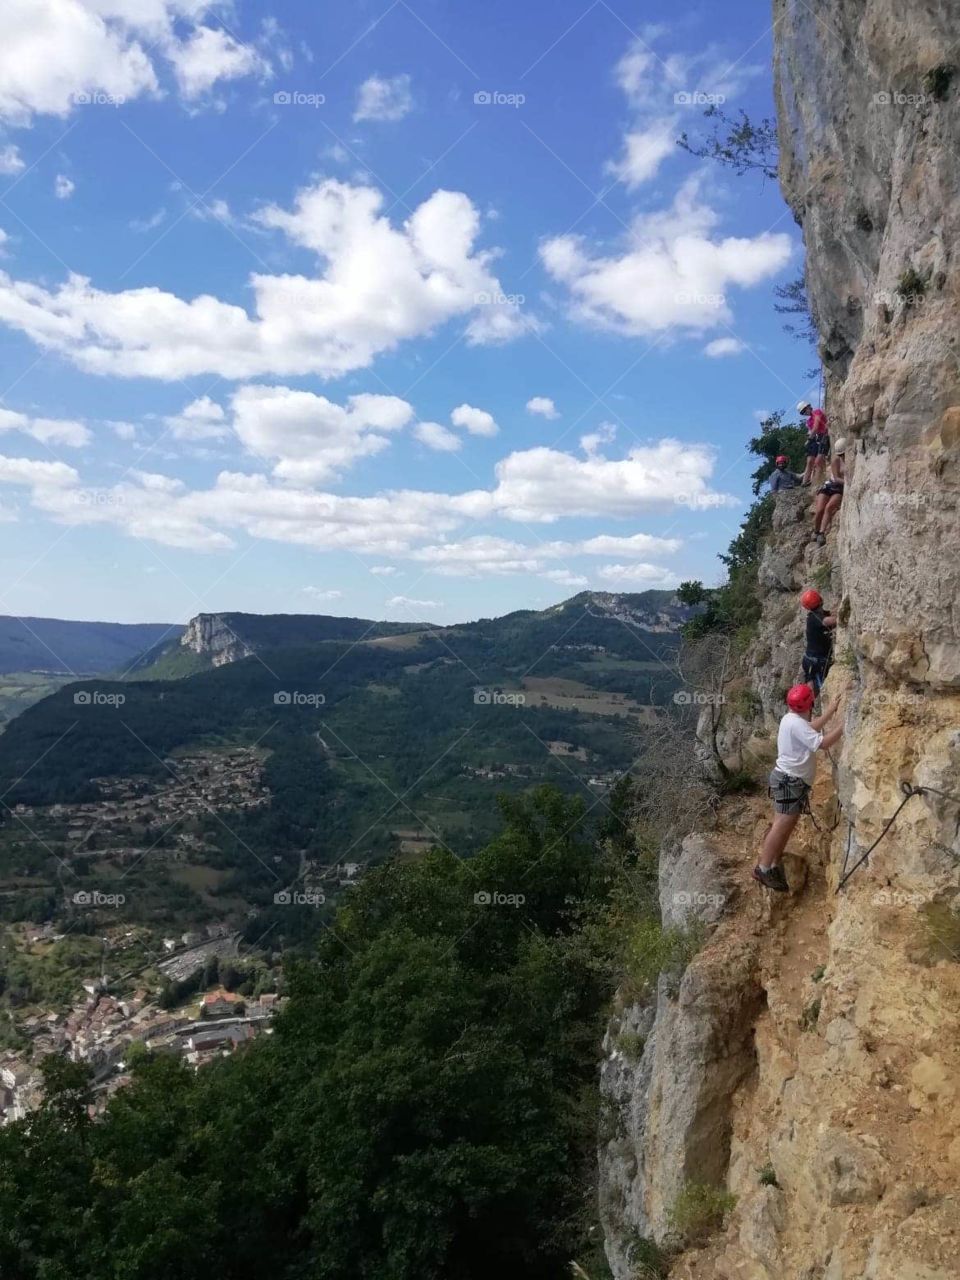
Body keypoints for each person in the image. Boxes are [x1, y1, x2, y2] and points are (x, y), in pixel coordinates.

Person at [754, 684, 843, 892]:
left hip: (788, 780)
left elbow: (810, 729)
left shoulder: (791, 719)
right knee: (781, 824)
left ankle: (773, 863)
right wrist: (845, 726)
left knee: (786, 823)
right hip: (789, 781)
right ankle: (763, 868)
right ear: (810, 704)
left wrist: (830, 711)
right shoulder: (796, 723)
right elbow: (823, 743)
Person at [812, 437, 846, 546]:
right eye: (840, 454)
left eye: (843, 454)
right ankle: (816, 531)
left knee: (829, 507)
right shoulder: (836, 460)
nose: (842, 456)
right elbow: (836, 478)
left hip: (839, 489)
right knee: (819, 510)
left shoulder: (850, 460)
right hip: (830, 485)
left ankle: (821, 533)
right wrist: (848, 482)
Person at [800, 588, 836, 691]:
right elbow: (828, 621)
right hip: (816, 661)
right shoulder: (814, 618)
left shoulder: (817, 614)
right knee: (822, 688)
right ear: (820, 600)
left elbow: (830, 614)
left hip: (811, 660)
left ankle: (810, 699)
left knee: (812, 683)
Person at [798, 400, 830, 486]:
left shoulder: (817, 412)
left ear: (808, 407)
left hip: (824, 435)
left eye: (805, 410)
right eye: (803, 412)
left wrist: (808, 440)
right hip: (818, 438)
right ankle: (806, 482)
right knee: (811, 461)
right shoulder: (809, 421)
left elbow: (815, 427)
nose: (805, 413)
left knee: (818, 461)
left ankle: (817, 483)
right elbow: (812, 431)